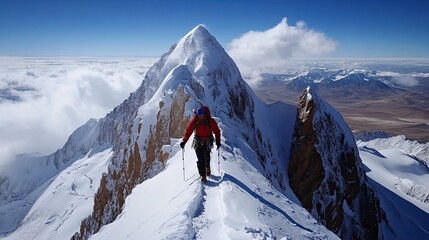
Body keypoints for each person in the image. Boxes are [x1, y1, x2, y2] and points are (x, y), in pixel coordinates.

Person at [180, 106, 221, 182]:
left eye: (201, 115)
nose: (200, 117)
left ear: (204, 114)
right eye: (199, 116)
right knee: (200, 159)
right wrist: (184, 141)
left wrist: (218, 141)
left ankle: (207, 167)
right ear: (197, 115)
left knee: (206, 156)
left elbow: (216, 131)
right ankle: (203, 175)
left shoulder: (210, 121)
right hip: (198, 141)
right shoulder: (194, 121)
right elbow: (188, 131)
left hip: (207, 140)